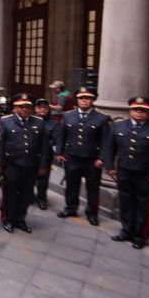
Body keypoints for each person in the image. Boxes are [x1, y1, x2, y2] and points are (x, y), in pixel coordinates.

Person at [105, 97, 149, 249]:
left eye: (143, 110)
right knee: (125, 202)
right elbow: (110, 148)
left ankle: (140, 236)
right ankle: (126, 231)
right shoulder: (118, 126)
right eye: (136, 109)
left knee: (143, 205)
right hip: (123, 171)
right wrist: (110, 167)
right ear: (130, 110)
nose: (139, 113)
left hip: (146, 174)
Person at [55, 87, 111, 224]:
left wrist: (101, 158)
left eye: (88, 98)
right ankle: (70, 208)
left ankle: (92, 213)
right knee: (71, 185)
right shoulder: (68, 116)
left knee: (92, 187)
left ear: (93, 100)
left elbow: (106, 142)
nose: (84, 100)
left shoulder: (102, 119)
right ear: (77, 100)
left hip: (92, 159)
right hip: (72, 157)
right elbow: (62, 135)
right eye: (81, 98)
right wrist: (59, 152)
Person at [0, 93, 49, 234]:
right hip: (12, 164)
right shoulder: (6, 121)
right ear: (15, 108)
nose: (25, 109)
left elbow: (44, 146)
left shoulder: (39, 122)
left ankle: (20, 219)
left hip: (31, 165)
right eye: (21, 106)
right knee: (10, 193)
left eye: (27, 106)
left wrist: (44, 165)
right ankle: (8, 219)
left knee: (26, 194)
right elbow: (1, 144)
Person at [34, 99, 59, 211]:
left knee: (43, 180)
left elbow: (55, 138)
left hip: (45, 154)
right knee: (28, 178)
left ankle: (41, 198)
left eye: (45, 107)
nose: (42, 109)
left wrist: (44, 146)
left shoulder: (53, 123)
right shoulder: (31, 120)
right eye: (40, 107)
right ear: (36, 109)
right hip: (31, 154)